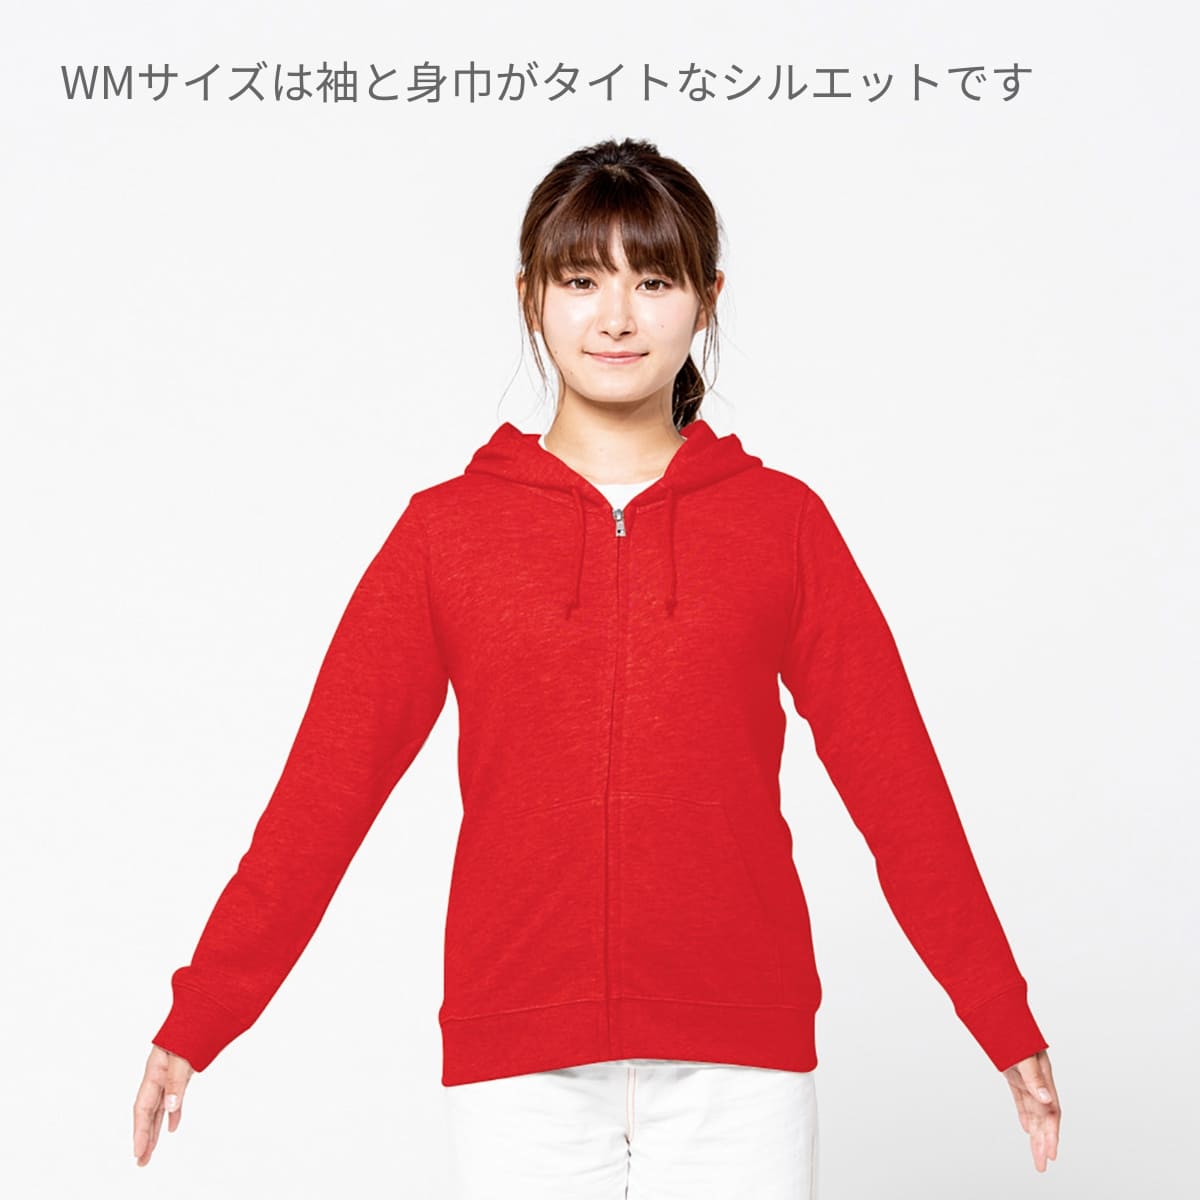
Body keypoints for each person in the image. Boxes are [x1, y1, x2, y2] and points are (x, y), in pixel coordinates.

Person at [133, 137, 1061, 1194]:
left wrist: (1002, 1018)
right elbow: (322, 796)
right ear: (530, 297)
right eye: (581, 280)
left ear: (706, 300)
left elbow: (899, 789)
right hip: (520, 1063)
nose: (616, 317)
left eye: (653, 281)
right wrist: (201, 1018)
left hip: (739, 1061)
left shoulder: (781, 526)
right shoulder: (446, 535)